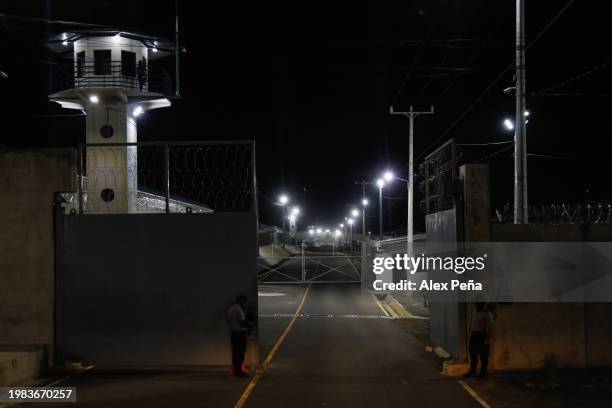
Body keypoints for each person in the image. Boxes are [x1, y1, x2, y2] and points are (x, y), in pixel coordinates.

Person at [463, 302, 494, 379]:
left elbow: (489, 327)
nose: (477, 304)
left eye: (479, 303)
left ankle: (483, 373)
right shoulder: (475, 311)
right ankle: (472, 371)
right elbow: (471, 322)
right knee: (473, 354)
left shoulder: (487, 314)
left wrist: (487, 339)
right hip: (474, 335)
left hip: (481, 335)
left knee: (483, 355)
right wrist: (470, 334)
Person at [226, 294, 251, 378]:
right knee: (240, 353)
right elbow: (242, 322)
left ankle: (235, 371)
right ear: (241, 301)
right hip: (240, 334)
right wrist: (249, 324)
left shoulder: (230, 309)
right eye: (244, 303)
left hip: (233, 333)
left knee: (235, 353)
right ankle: (239, 372)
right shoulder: (239, 310)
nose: (245, 304)